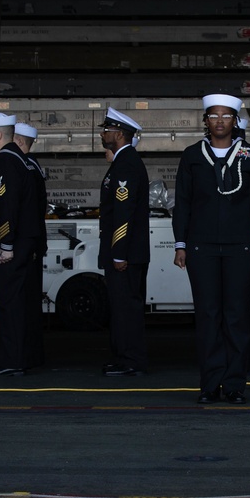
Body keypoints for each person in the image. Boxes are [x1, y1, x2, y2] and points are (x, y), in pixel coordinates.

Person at [173, 94, 250, 404]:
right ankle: (209, 384)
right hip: (201, 247)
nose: (219, 121)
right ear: (205, 121)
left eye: (226, 116)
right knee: (207, 316)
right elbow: (183, 203)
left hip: (241, 247)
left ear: (235, 121)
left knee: (237, 317)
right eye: (213, 116)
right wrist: (181, 244)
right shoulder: (192, 156)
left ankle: (234, 385)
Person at [0, 112, 42, 376]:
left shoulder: (5, 162)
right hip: (25, 241)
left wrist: (5, 244)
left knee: (9, 302)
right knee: (17, 302)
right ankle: (19, 358)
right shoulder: (22, 160)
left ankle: (10, 361)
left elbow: (7, 205)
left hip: (12, 243)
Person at [98, 108, 150, 377]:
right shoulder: (122, 162)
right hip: (124, 251)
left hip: (126, 253)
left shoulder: (127, 164)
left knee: (127, 308)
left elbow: (123, 211)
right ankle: (122, 357)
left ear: (119, 134)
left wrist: (118, 252)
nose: (102, 134)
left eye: (106, 130)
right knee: (119, 308)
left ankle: (132, 360)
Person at [13, 121, 48, 369]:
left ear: (18, 142)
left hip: (28, 243)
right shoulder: (31, 166)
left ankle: (26, 355)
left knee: (25, 301)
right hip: (33, 242)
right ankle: (30, 354)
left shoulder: (26, 167)